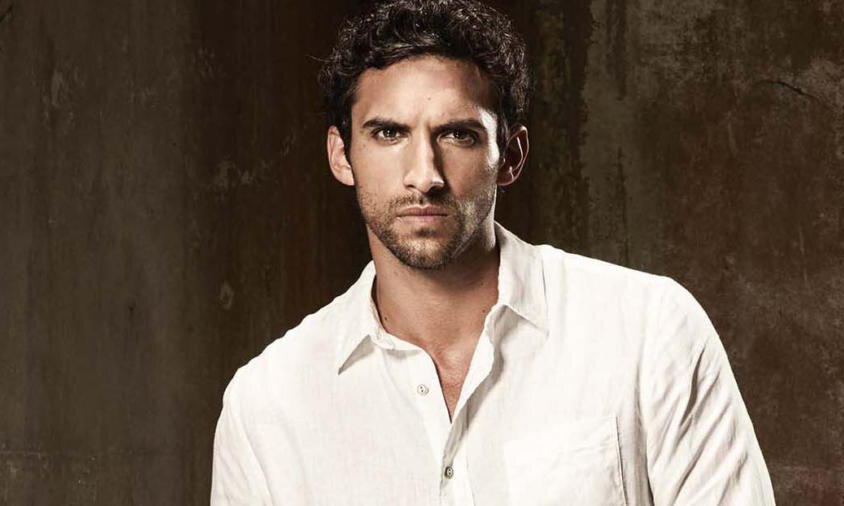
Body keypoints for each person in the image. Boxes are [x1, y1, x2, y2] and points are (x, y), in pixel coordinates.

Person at [211, 0, 775, 504]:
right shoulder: (267, 405)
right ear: (341, 156)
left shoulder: (647, 333)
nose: (424, 175)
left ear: (510, 155)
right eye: (388, 134)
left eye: (457, 134)